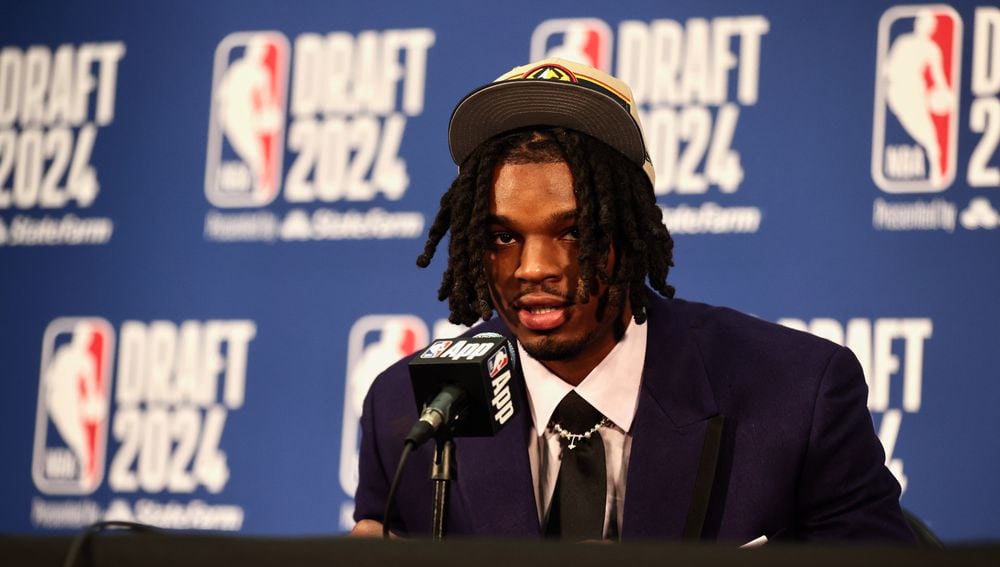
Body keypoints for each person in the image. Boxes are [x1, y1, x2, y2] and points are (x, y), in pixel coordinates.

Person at [351, 58, 914, 542]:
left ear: (632, 227)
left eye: (574, 231)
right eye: (504, 237)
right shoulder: (406, 408)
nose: (535, 268)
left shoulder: (797, 395)